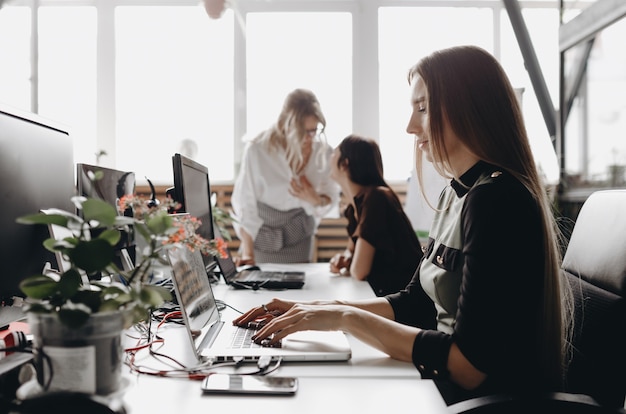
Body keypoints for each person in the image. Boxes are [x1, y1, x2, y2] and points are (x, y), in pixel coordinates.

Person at [233, 45, 572, 404]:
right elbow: (417, 303)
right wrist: (320, 310)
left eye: (422, 109)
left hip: (468, 402)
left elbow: (469, 367)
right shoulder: (455, 194)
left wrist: (346, 318)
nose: (410, 126)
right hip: (442, 389)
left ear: (470, 109)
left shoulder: (496, 201)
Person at [230, 88, 340, 265]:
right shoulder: (257, 151)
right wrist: (248, 254)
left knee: (299, 288)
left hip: (300, 236)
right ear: (284, 124)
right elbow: (245, 204)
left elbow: (332, 197)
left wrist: (315, 200)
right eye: (302, 132)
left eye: (314, 130)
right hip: (261, 237)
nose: (309, 138)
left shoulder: (324, 152)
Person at [328, 134, 423, 296]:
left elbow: (359, 271)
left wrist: (350, 262)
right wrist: (344, 258)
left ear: (344, 164)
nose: (329, 157)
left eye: (334, 153)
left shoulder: (377, 198)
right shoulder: (355, 206)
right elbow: (351, 251)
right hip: (384, 294)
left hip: (405, 300)